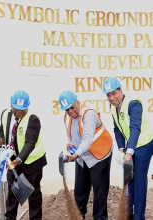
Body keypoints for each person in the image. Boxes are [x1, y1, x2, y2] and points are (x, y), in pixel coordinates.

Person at [102, 77, 153, 220]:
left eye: (114, 93)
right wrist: (122, 149)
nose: (111, 98)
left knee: (138, 180)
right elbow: (117, 129)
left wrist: (130, 151)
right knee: (129, 178)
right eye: (108, 95)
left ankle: (139, 217)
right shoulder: (114, 107)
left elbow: (135, 128)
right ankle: (129, 213)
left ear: (121, 90)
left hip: (145, 144)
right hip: (131, 146)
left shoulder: (133, 104)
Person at [58, 91, 113, 220]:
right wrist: (70, 144)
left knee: (99, 191)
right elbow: (69, 134)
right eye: (67, 109)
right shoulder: (66, 117)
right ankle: (79, 214)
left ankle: (100, 217)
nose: (70, 111)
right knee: (80, 189)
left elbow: (87, 140)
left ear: (78, 102)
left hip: (100, 154)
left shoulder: (89, 115)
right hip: (82, 156)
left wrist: (75, 155)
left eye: (72, 107)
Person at [0, 90, 47, 220]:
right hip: (13, 160)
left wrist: (18, 160)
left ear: (27, 107)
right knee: (13, 192)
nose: (18, 112)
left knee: (33, 193)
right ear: (11, 105)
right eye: (16, 109)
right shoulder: (5, 114)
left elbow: (30, 143)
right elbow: (2, 128)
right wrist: (0, 138)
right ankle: (10, 218)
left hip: (32, 162)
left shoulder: (33, 119)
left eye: (22, 110)